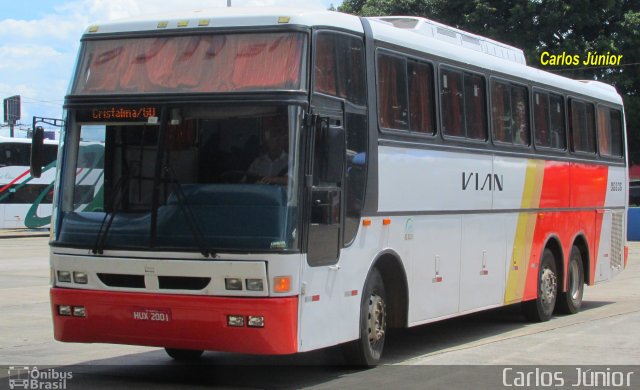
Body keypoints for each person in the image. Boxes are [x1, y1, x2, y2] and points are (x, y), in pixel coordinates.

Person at [247, 116, 288, 185]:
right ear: (267, 141)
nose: (277, 141)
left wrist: (274, 180)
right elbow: (247, 180)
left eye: (280, 138)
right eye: (274, 136)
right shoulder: (258, 163)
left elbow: (294, 180)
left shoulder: (291, 161)